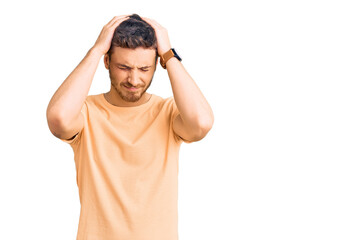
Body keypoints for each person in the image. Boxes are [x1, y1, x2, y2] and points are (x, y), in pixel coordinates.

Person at [46, 14, 214, 240]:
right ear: (107, 62)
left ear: (157, 65)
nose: (134, 80)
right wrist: (96, 50)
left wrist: (169, 54)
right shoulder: (86, 113)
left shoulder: (167, 113)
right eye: (124, 67)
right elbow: (58, 120)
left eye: (144, 69)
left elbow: (201, 123)